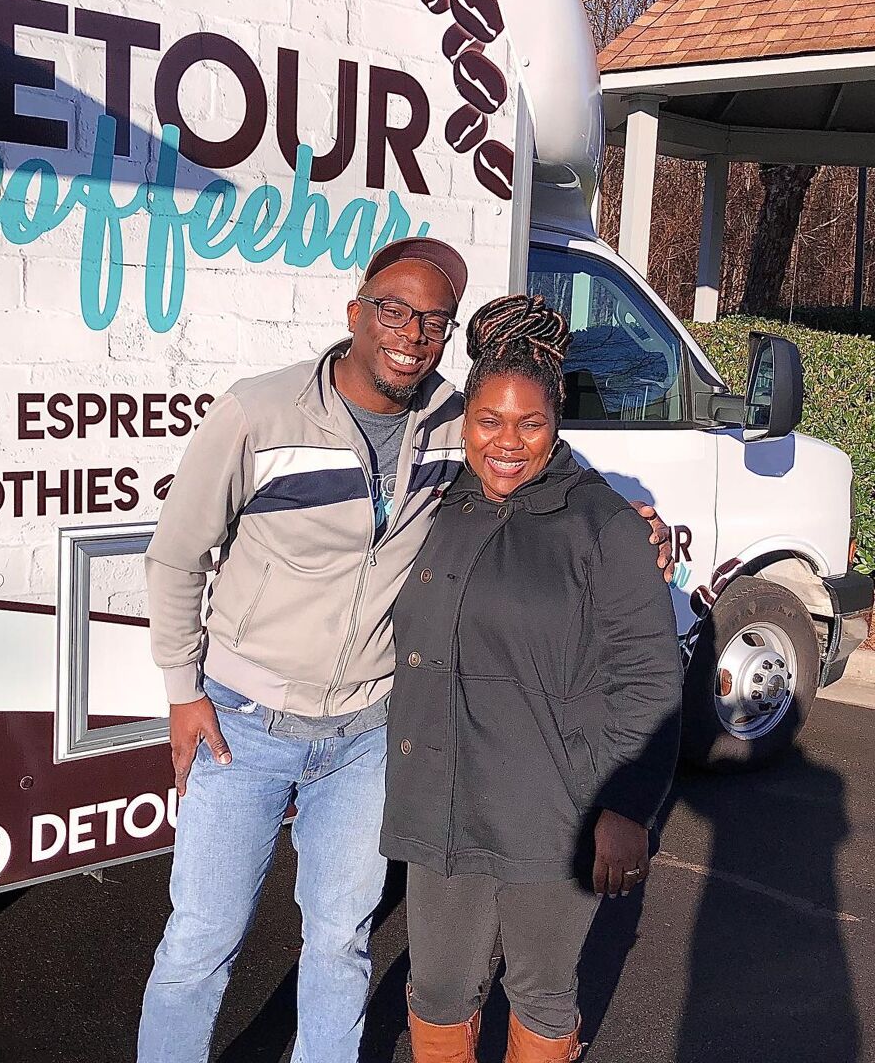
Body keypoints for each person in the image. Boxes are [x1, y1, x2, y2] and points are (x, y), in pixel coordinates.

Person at [137, 241, 673, 1063]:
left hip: (364, 737)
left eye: (432, 320)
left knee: (340, 943)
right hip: (244, 726)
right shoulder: (259, 413)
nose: (411, 332)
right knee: (199, 943)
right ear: (356, 312)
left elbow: (533, 448)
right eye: (393, 309)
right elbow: (178, 555)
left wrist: (628, 524)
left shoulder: (446, 425)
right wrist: (182, 687)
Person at [381, 294, 684, 1063]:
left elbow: (648, 681)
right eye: (488, 420)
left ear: (557, 424)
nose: (506, 443)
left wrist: (626, 808)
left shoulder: (605, 526)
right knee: (440, 993)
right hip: (443, 803)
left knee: (543, 995)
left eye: (530, 423)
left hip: (553, 814)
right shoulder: (441, 506)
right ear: (466, 419)